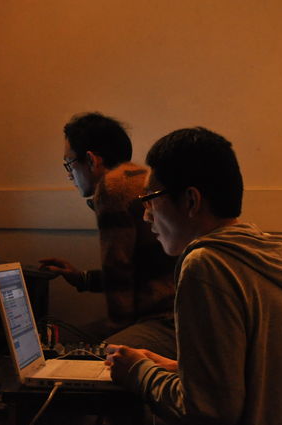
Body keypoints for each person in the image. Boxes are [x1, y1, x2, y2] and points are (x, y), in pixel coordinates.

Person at [105, 127, 282, 425]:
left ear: (191, 200)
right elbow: (260, 378)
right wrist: (181, 369)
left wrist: (138, 372)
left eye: (150, 198)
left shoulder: (207, 265)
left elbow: (208, 411)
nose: (146, 215)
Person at [40, 112, 178, 358]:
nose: (69, 174)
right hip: (173, 312)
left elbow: (119, 269)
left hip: (165, 320)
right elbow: (136, 270)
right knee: (72, 342)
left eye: (70, 164)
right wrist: (82, 279)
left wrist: (114, 337)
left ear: (91, 160)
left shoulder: (113, 188)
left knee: (86, 356)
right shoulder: (138, 176)